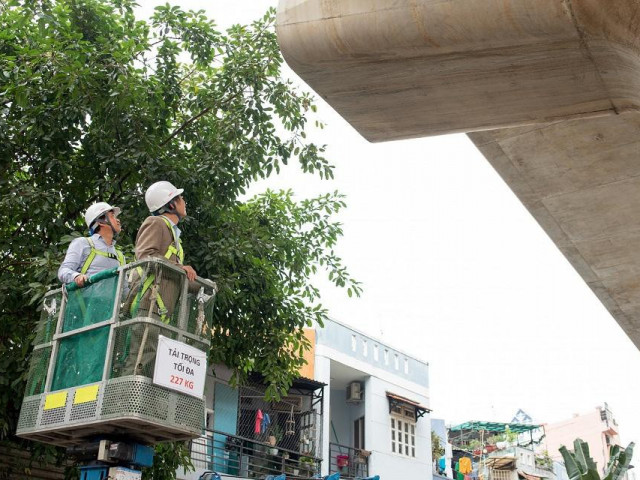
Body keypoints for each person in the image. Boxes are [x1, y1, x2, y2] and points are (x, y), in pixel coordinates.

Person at [120, 181, 197, 376]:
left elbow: (172, 274)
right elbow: (145, 256)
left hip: (161, 310)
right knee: (140, 359)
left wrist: (201, 286)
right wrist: (181, 268)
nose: (184, 202)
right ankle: (123, 403)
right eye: (180, 198)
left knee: (154, 366)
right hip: (149, 304)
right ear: (171, 204)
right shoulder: (155, 223)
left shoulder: (173, 235)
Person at [58, 202, 125, 286]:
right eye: (112, 216)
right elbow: (63, 271)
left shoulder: (119, 255)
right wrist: (76, 276)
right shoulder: (83, 243)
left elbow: (124, 287)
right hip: (86, 298)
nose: (118, 220)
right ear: (101, 222)